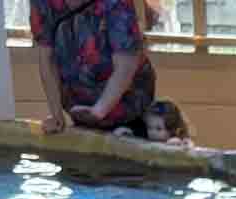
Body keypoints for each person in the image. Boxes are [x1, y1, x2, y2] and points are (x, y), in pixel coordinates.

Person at [31, 0, 156, 137]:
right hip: (79, 105)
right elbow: (47, 59)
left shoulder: (115, 3)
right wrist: (56, 115)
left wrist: (99, 110)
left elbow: (126, 65)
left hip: (127, 105)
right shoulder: (43, 3)